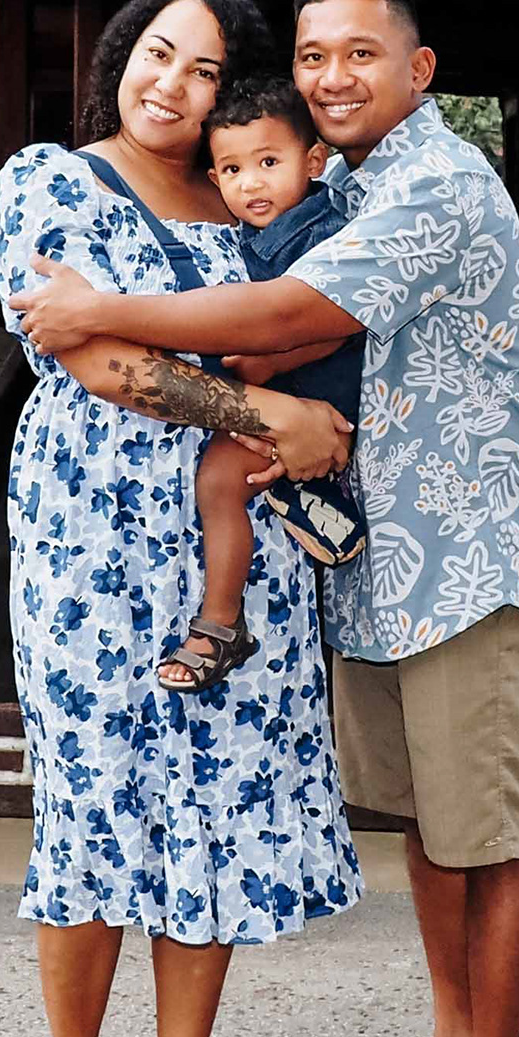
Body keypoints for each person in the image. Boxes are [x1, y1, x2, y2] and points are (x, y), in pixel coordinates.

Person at [14, 0, 519, 1037]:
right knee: (428, 817)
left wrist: (123, 316)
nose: (333, 76)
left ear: (420, 70)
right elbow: (133, 353)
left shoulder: (428, 183)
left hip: (464, 547)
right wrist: (262, 408)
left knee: (485, 824)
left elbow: (294, 310)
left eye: (360, 54)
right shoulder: (299, 182)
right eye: (314, 56)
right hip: (342, 554)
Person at [0, 0, 360, 1037]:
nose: (173, 86)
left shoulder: (247, 195)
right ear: (119, 52)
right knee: (91, 793)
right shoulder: (47, 178)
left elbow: (309, 319)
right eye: (158, 53)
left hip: (224, 543)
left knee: (208, 800)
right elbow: (94, 355)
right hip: (89, 530)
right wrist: (267, 414)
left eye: (204, 70)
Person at [155, 78, 366, 697]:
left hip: (319, 394)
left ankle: (219, 623)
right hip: (284, 398)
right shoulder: (243, 233)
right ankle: (314, 498)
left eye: (268, 163)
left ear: (313, 162)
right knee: (224, 479)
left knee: (220, 481)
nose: (251, 183)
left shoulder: (322, 230)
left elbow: (342, 319)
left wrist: (269, 366)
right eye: (232, 169)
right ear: (215, 179)